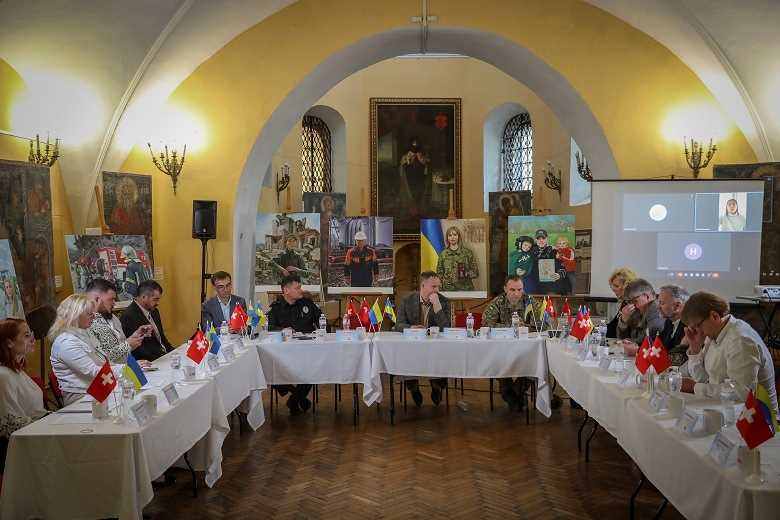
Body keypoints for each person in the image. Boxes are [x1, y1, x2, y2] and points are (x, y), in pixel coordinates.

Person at [680, 291, 778, 414]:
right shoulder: (715, 333)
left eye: (697, 326)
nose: (697, 332)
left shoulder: (740, 340)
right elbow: (704, 379)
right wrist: (695, 349)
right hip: (727, 408)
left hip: (758, 417)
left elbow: (741, 393)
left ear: (714, 316)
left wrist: (694, 387)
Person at [394, 271, 451, 406]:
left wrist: (437, 307)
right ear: (423, 286)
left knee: (439, 356)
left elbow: (446, 328)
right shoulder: (407, 300)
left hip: (434, 347)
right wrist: (411, 327)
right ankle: (413, 388)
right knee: (407, 357)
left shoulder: (443, 301)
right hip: (413, 346)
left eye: (438, 287)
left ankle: (436, 386)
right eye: (433, 287)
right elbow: (398, 325)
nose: (436, 290)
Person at [267, 274, 321, 414]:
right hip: (283, 354)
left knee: (314, 369)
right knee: (269, 368)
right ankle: (296, 395)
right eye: (297, 288)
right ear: (286, 290)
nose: (301, 290)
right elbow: (270, 328)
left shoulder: (307, 303)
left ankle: (294, 399)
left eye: (300, 287)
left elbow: (321, 321)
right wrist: (283, 330)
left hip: (307, 351)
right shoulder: (276, 308)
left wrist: (321, 331)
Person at [0, 318, 48, 471]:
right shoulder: (3, 375)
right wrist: (47, 423)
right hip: (16, 450)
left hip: (33, 437)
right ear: (9, 343)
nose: (33, 339)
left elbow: (34, 411)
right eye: (26, 335)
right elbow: (10, 424)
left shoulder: (17, 371)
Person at [482, 276, 530, 410]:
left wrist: (524, 328)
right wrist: (512, 327)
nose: (516, 294)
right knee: (497, 360)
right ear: (505, 289)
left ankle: (515, 392)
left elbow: (544, 325)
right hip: (501, 349)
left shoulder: (530, 302)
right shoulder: (498, 302)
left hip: (525, 349)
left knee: (533, 361)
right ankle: (509, 391)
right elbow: (486, 325)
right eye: (512, 290)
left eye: (519, 289)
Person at [49, 294, 105, 406]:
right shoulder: (65, 343)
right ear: (75, 316)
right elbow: (93, 371)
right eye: (89, 314)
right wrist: (125, 370)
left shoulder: (84, 332)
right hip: (81, 396)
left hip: (96, 388)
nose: (94, 317)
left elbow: (103, 360)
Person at [86, 278, 151, 364]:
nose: (114, 303)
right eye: (111, 299)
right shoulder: (87, 323)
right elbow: (103, 358)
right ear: (97, 299)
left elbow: (121, 348)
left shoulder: (113, 317)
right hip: (111, 371)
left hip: (125, 367)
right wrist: (127, 345)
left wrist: (135, 337)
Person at [120, 280, 173, 361]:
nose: (157, 303)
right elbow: (138, 349)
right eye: (155, 299)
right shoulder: (128, 316)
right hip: (150, 361)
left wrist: (173, 352)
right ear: (144, 297)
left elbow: (162, 338)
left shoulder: (154, 311)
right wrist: (163, 358)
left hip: (164, 356)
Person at [616, 278, 665, 355]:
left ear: (647, 296)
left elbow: (650, 339)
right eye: (628, 302)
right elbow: (621, 338)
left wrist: (632, 342)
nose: (631, 305)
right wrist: (623, 320)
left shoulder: (656, 309)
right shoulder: (637, 310)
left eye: (634, 301)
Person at [436, 226, 479, 292]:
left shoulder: (467, 253)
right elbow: (439, 274)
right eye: (450, 235)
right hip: (448, 290)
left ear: (459, 237)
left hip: (465, 289)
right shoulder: (443, 254)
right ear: (447, 238)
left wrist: (465, 273)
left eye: (455, 235)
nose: (452, 237)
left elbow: (475, 272)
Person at [657, 285, 689, 366]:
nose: (658, 307)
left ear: (677, 306)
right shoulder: (669, 321)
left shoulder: (690, 326)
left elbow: (679, 358)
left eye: (662, 303)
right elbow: (660, 348)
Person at [398, 137, 431, 215]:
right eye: (413, 145)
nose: (415, 148)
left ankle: (419, 210)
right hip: (410, 177)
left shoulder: (422, 154)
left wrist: (421, 159)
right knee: (411, 193)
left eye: (416, 145)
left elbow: (427, 164)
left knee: (420, 193)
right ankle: (412, 211)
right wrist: (408, 159)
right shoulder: (407, 155)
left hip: (420, 177)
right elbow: (402, 165)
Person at [605, 267, 638, 338]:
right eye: (612, 285)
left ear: (627, 286)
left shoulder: (635, 306)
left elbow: (623, 334)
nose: (613, 289)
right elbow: (613, 326)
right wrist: (595, 329)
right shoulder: (625, 302)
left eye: (616, 286)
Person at [532, 230, 565, 294]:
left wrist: (559, 274)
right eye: (538, 239)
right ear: (535, 240)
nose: (541, 240)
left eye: (543, 238)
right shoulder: (531, 251)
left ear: (547, 239)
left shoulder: (554, 251)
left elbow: (563, 266)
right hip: (535, 286)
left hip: (550, 286)